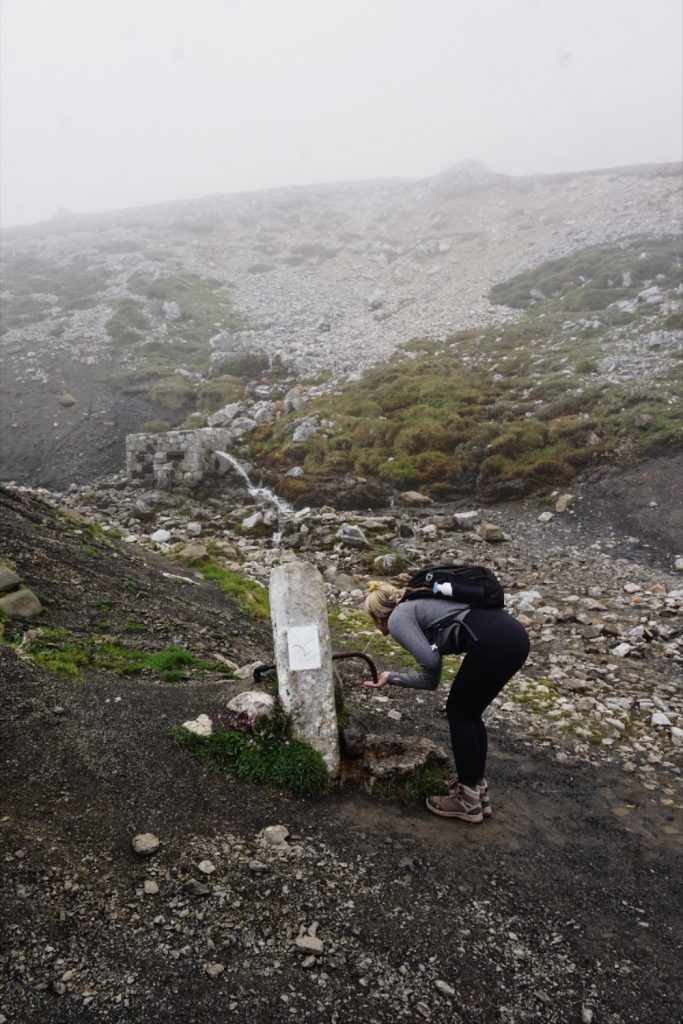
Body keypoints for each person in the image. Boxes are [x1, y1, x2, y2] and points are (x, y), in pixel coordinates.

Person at [362, 580, 530, 823]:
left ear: (377, 617)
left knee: (459, 713)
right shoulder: (419, 604)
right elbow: (432, 677)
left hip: (494, 642)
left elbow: (430, 666)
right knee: (469, 713)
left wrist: (393, 677)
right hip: (513, 636)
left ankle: (467, 801)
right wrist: (391, 677)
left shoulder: (399, 618)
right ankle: (476, 790)